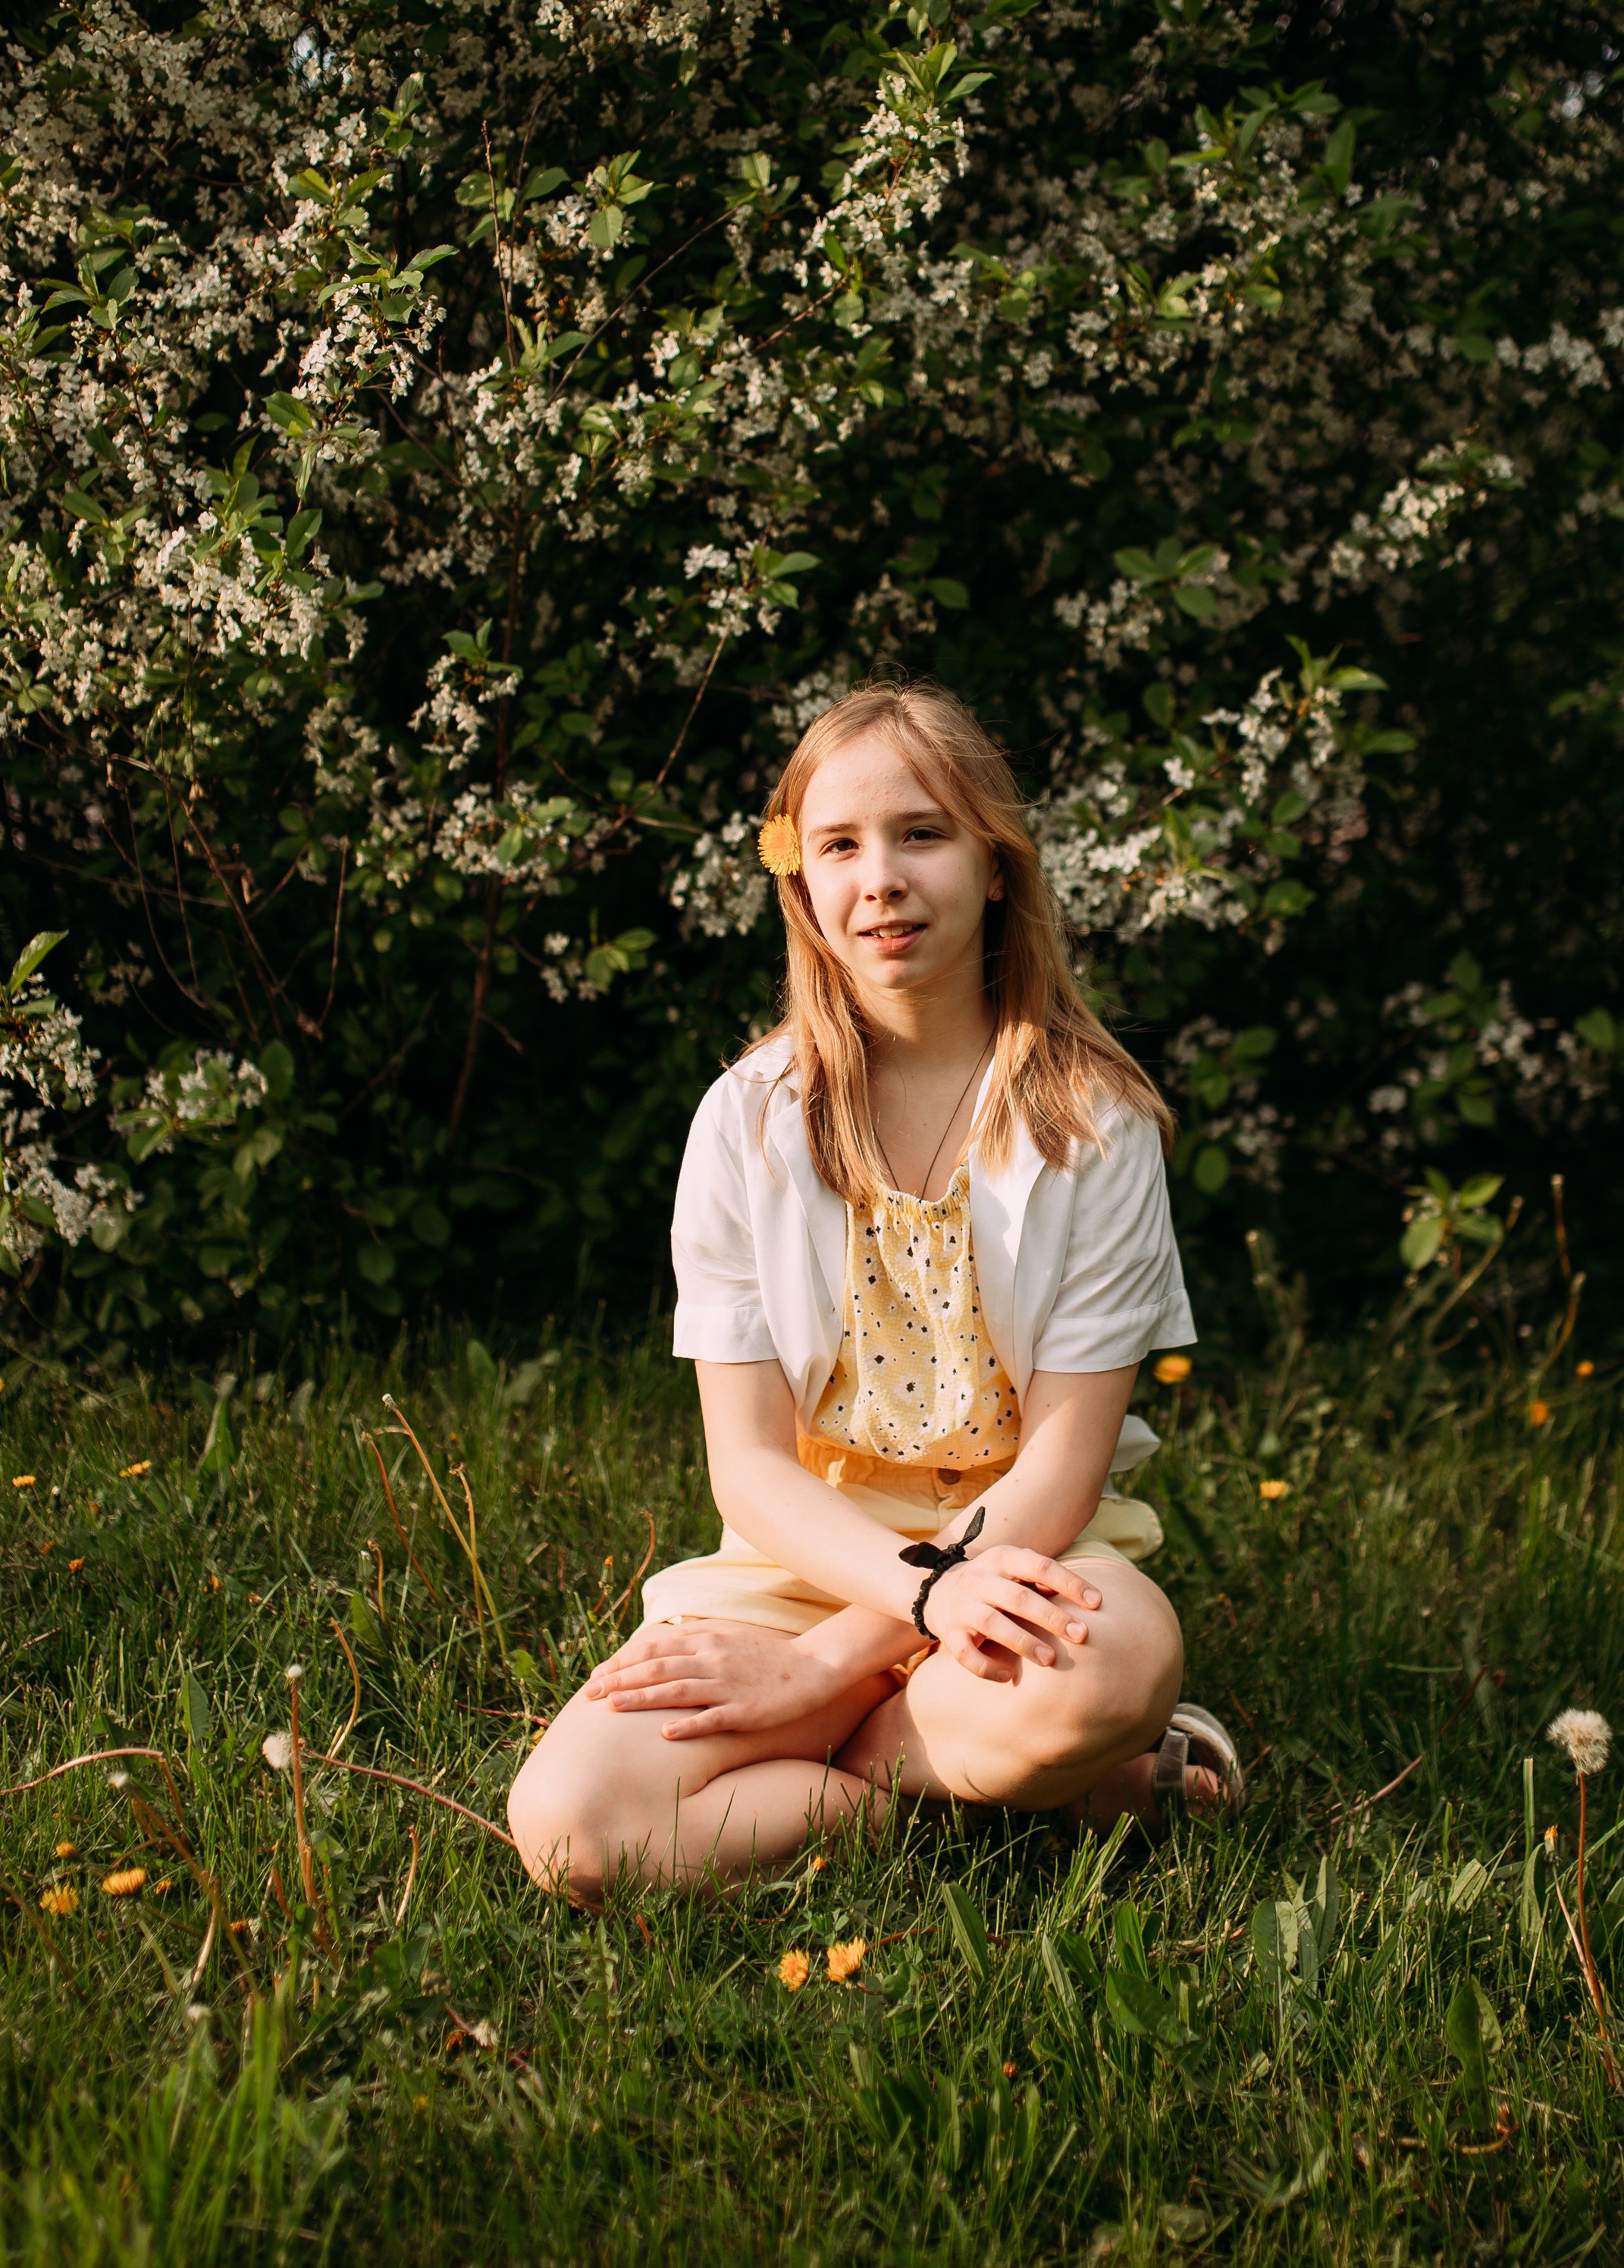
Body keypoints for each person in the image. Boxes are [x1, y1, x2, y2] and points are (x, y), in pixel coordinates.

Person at [509, 679, 1240, 1898]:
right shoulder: (746, 1120)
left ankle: (1014, 1746)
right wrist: (878, 1615)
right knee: (574, 1832)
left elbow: (1060, 1471)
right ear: (802, 886)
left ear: (996, 865)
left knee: (1112, 1662)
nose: (881, 879)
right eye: (840, 846)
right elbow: (747, 1467)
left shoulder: (1096, 1126)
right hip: (805, 1567)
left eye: (923, 834)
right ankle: (1009, 1796)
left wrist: (827, 1673)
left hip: (1026, 1559)